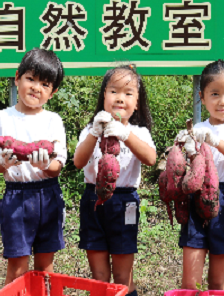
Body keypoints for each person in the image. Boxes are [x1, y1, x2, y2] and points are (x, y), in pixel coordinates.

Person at [0, 48, 67, 285]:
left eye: (45, 84)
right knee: (17, 265)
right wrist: (3, 163)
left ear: (53, 92)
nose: (35, 88)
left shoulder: (53, 120)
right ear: (17, 77)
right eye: (30, 79)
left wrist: (45, 164)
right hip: (16, 196)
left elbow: (57, 166)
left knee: (45, 266)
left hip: (48, 195)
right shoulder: (1, 118)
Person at [73, 64, 156, 296]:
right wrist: (94, 132)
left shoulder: (139, 132)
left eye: (128, 94)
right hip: (93, 199)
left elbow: (150, 158)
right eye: (114, 91)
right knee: (99, 277)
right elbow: (78, 162)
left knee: (122, 276)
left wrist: (125, 134)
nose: (120, 98)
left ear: (137, 102)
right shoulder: (91, 128)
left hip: (124, 203)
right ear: (103, 96)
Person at [175, 60, 224, 290]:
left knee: (218, 281)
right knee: (190, 282)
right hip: (196, 199)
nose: (223, 101)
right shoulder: (198, 129)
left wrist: (216, 142)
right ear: (202, 96)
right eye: (215, 94)